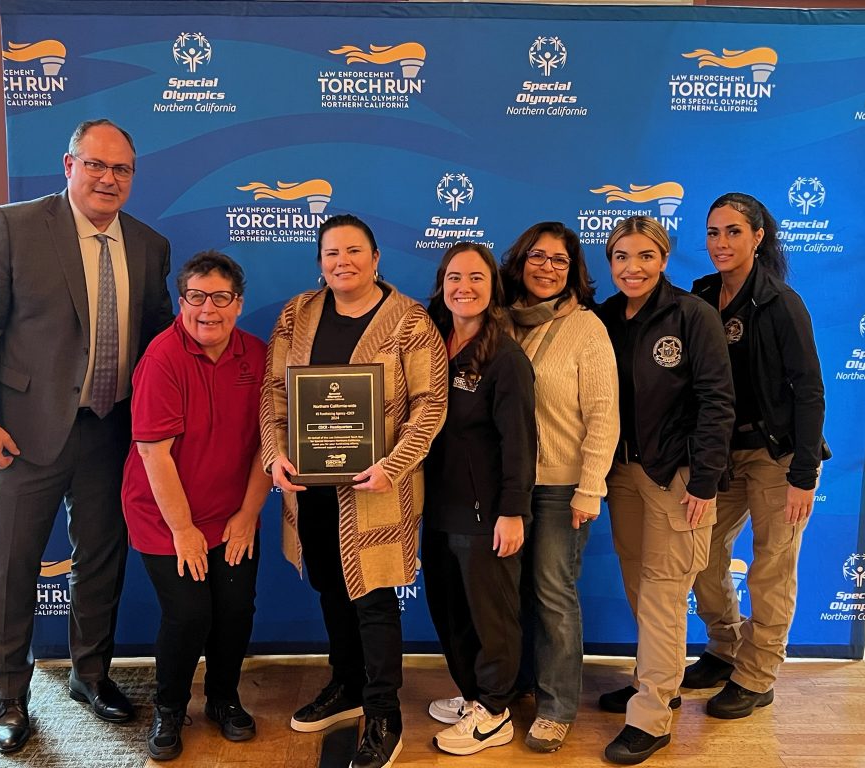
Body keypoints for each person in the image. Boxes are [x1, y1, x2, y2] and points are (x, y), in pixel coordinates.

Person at [0, 119, 173, 754]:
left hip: (112, 429)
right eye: (96, 164)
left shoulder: (149, 244)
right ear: (69, 164)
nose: (108, 178)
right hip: (22, 433)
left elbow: (158, 340)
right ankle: (10, 694)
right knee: (12, 564)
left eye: (121, 169)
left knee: (101, 557)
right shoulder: (12, 226)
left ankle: (90, 674)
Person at [260, 214, 448, 768]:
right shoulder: (298, 313)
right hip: (311, 486)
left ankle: (384, 712)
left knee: (374, 599)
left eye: (354, 251)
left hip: (379, 487)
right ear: (320, 262)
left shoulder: (410, 321)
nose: (342, 261)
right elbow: (273, 390)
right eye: (331, 253)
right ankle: (346, 684)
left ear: (376, 258)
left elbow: (431, 404)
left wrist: (395, 464)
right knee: (329, 586)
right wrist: (274, 453)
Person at [595, 216, 734, 764]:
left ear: (664, 259)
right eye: (622, 257)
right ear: (610, 262)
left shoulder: (692, 315)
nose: (633, 268)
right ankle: (656, 682)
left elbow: (718, 401)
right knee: (640, 587)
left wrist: (704, 480)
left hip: (677, 477)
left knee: (664, 594)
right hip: (623, 474)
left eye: (645, 256)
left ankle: (650, 718)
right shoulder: (605, 317)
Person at [684, 193, 827, 718]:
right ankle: (725, 649)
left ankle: (758, 673)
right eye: (713, 232)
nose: (721, 242)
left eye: (733, 232)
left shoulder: (781, 302)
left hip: (776, 456)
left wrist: (803, 474)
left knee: (771, 566)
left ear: (758, 237)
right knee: (701, 555)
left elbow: (809, 390)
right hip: (721, 456)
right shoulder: (701, 294)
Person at [121, 252, 270, 760]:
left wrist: (247, 515)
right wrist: (183, 531)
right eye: (197, 297)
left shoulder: (258, 355)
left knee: (235, 608)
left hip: (231, 513)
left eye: (221, 298)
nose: (209, 309)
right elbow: (154, 454)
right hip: (165, 516)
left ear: (238, 303)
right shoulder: (162, 358)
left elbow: (267, 445)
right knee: (187, 614)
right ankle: (169, 707)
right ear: (181, 301)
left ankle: (224, 699)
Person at [505, 222, 621, 752]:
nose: (547, 268)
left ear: (573, 270)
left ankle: (556, 707)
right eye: (537, 256)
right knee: (511, 593)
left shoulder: (587, 328)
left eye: (559, 260)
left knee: (553, 593)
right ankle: (516, 684)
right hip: (508, 488)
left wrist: (590, 487)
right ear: (520, 261)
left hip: (560, 487)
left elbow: (603, 415)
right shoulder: (500, 321)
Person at [420, 243, 537, 756]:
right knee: (451, 612)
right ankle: (472, 695)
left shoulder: (505, 358)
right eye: (454, 277)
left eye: (475, 278)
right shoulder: (430, 345)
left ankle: (494, 711)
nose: (463, 287)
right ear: (441, 285)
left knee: (491, 616)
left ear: (493, 288)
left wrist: (512, 512)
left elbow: (520, 444)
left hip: (485, 513)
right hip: (437, 507)